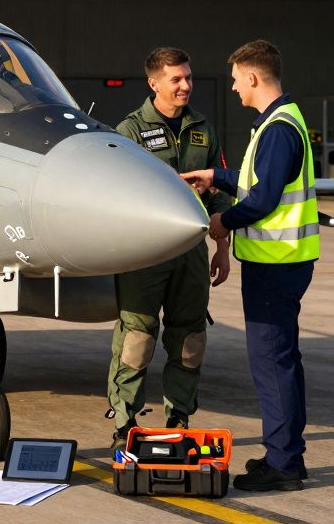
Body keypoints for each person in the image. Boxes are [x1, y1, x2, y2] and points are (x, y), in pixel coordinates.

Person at [181, 40, 319, 492]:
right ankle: (285, 454)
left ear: (254, 77)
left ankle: (283, 466)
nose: (235, 87)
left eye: (237, 79)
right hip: (281, 262)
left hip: (275, 264)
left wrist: (222, 222)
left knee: (272, 363)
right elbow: (255, 182)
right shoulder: (281, 121)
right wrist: (216, 177)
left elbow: (263, 199)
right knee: (282, 360)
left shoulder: (277, 129)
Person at [108, 47, 233, 447]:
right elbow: (114, 192)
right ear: (154, 83)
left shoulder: (203, 128)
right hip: (145, 254)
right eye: (176, 79)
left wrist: (222, 248)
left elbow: (219, 194)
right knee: (137, 338)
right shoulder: (129, 131)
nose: (185, 85)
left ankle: (179, 418)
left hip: (191, 253)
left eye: (188, 77)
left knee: (190, 339)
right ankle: (125, 423)